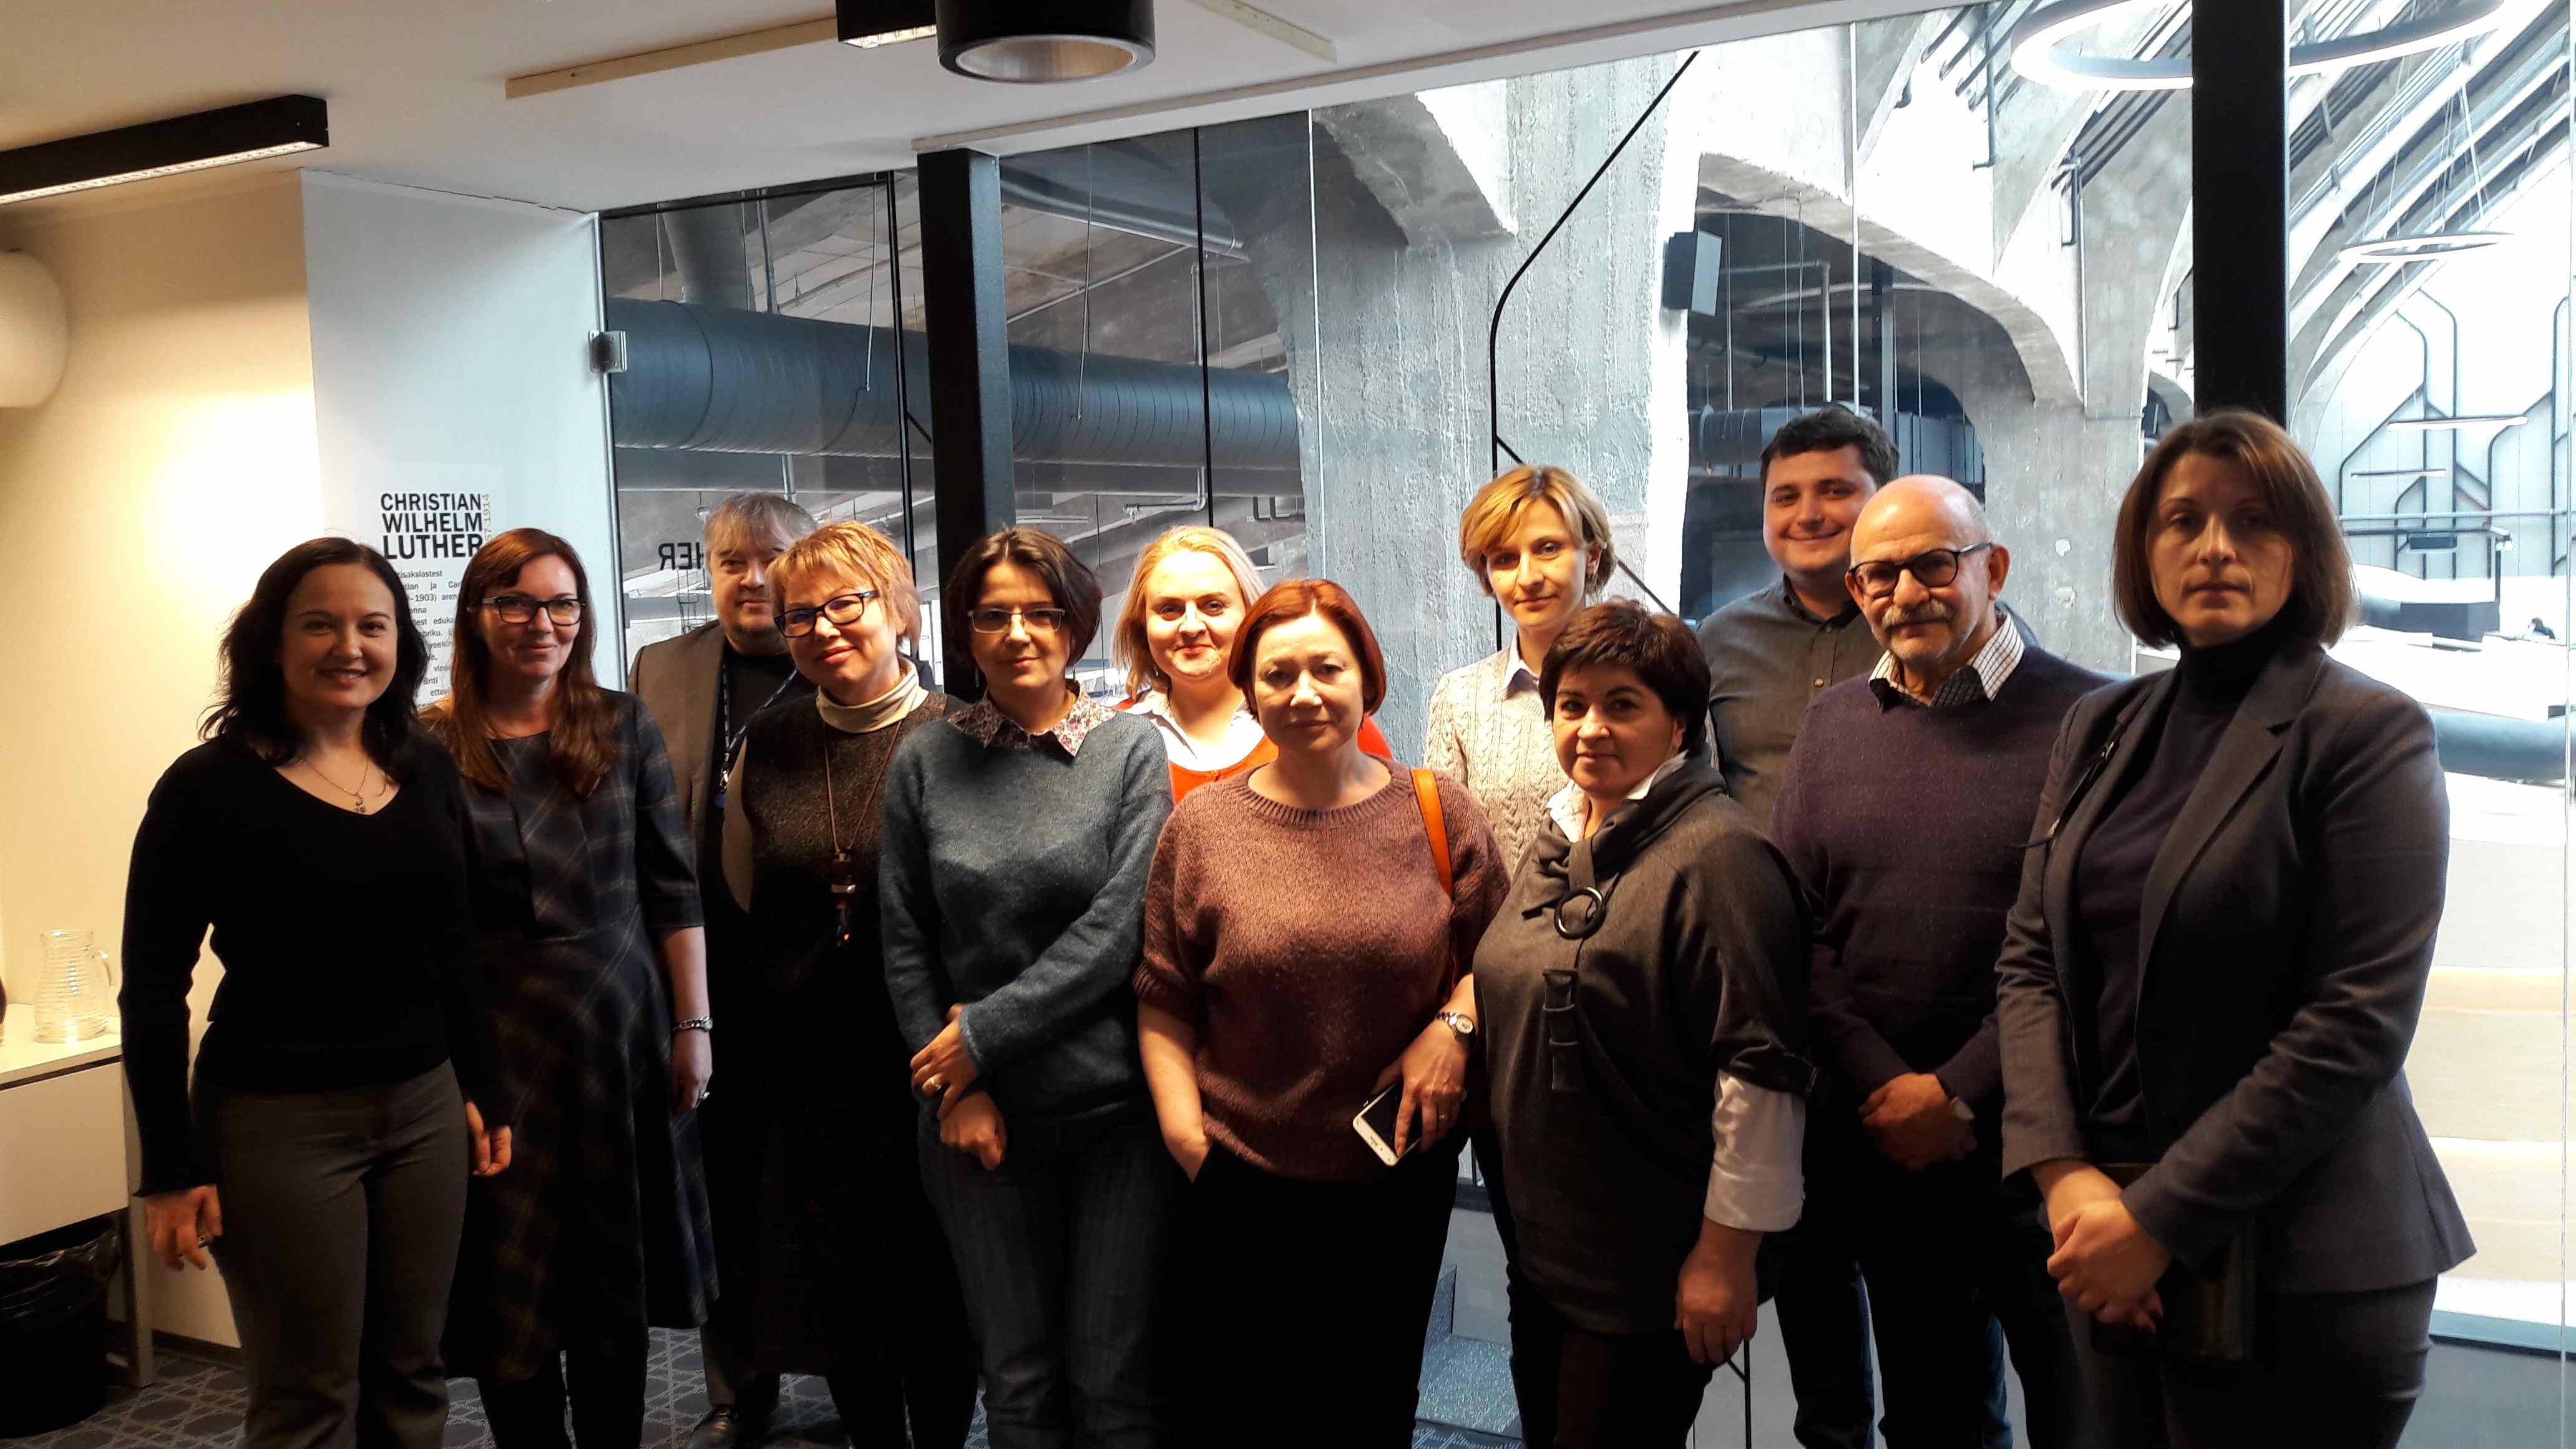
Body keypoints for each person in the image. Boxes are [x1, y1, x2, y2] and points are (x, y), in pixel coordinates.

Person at [1996, 409, 2474, 1449]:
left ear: (2302, 549)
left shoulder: (2366, 731)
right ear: (2144, 549)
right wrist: (2063, 1176)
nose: (2214, 546)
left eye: (2252, 521)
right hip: (2106, 1240)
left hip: (2303, 1262)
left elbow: (2354, 1021)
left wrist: (2156, 1219)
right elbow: (2030, 960)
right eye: (2183, 521)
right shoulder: (2101, 724)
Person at [120, 538, 510, 1449]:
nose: (349, 646)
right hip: (275, 1123)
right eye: (319, 625)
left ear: (400, 641)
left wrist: (486, 1086)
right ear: (272, 640)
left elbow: (456, 941)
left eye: (373, 625)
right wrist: (169, 1169)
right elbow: (154, 987)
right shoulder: (206, 787)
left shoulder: (425, 766)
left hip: (423, 1110)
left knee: (413, 1374)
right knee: (309, 1397)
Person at [1135, 578, 1508, 1448]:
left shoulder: (1438, 811)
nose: (1303, 692)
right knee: (1240, 1407)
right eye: (1278, 674)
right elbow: (1164, 997)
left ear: (1366, 679)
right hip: (1241, 1176)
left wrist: (1452, 1028)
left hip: (1395, 1176)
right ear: (1250, 688)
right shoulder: (1202, 828)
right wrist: (1189, 1144)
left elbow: (1499, 956)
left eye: (1327, 669)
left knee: (1371, 1401)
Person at [1769, 478, 2101, 1448]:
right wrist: (1889, 1086)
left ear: (1992, 567)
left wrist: (1958, 1089)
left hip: (2048, 1150)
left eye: (1932, 564)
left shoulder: (2095, 719)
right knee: (1936, 1421)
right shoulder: (1833, 724)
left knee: (2087, 1419)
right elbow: (1798, 923)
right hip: (1893, 1150)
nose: (1905, 592)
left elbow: (2094, 939)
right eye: (1879, 574)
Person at [1473, 600, 1813, 1447]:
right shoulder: (1565, 832)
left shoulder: (1720, 857)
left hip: (1648, 1264)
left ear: (1680, 726)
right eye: (1572, 705)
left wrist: (1726, 1257)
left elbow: (1762, 1073)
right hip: (1549, 1246)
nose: (1591, 728)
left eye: (1622, 704)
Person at [881, 527, 1177, 1448]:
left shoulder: (1129, 748)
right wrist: (954, 1086)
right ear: (965, 630)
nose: (1018, 634)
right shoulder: (925, 758)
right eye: (993, 615)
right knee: (1016, 1382)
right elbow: (904, 937)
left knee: (1112, 1385)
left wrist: (981, 1036)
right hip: (976, 1118)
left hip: (1114, 1116)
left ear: (1076, 625)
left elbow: (1120, 928)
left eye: (1042, 614)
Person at [424, 529, 717, 1449]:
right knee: (510, 1291)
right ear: (476, 616)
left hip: (617, 1041)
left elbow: (673, 890)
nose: (541, 623)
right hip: (496, 1047)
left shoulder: (622, 724)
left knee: (610, 1289)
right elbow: (425, 923)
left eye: (561, 604)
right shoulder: (428, 743)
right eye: (515, 603)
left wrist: (694, 1026)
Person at [715, 520, 976, 1448]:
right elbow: (743, 888)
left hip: (929, 1061)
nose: (823, 629)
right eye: (800, 616)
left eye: (846, 604)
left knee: (938, 1292)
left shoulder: (964, 736)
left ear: (900, 611)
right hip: (809, 1071)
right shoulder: (769, 741)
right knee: (839, 1293)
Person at [1692, 405, 1894, 1449]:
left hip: (1906, 1002)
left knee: (1934, 1309)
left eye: (1835, 490)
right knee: (1811, 1275)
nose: (1809, 512)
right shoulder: (1718, 642)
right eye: (1787, 496)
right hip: (1775, 1002)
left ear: (1880, 500)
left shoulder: (1934, 623)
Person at [629, 491, 817, 1449]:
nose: (752, 577)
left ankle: (854, 1366)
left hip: (816, 975)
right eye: (731, 561)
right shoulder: (660, 667)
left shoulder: (837, 655)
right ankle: (740, 1387)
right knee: (721, 1188)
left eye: (771, 557)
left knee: (815, 1180)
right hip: (702, 979)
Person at [1425, 464, 1619, 873]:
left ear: (1592, 556)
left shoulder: (1654, 682)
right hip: (1503, 917)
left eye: (1548, 549)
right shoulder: (1459, 699)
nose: (1527, 577)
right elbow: (1444, 859)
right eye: (1506, 559)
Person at [1110, 524, 1389, 798]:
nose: (1191, 626)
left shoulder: (1330, 720)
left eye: (1214, 606)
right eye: (1169, 609)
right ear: (1142, 624)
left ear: (1250, 613)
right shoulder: (1111, 738)